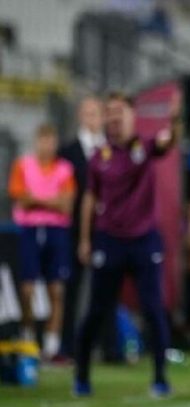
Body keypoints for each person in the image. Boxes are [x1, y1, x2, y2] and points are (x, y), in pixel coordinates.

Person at [74, 92, 180, 397]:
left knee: (153, 309)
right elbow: (90, 198)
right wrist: (85, 239)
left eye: (119, 111)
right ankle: (81, 377)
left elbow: (168, 141)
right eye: (110, 112)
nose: (114, 117)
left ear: (133, 116)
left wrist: (174, 119)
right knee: (96, 310)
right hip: (109, 240)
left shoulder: (144, 146)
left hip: (144, 240)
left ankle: (160, 378)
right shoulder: (99, 157)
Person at [8, 124, 75, 360]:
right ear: (36, 142)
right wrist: (52, 201)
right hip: (29, 230)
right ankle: (27, 335)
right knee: (27, 289)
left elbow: (66, 204)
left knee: (56, 289)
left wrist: (36, 199)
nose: (47, 146)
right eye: (43, 140)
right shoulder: (23, 166)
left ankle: (52, 346)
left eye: (51, 141)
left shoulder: (65, 169)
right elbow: (20, 199)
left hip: (57, 231)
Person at [58, 96, 106, 361]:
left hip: (106, 229)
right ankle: (67, 346)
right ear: (80, 116)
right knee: (72, 289)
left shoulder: (110, 150)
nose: (91, 118)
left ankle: (107, 347)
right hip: (74, 230)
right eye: (87, 113)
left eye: (95, 113)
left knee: (106, 288)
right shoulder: (68, 152)